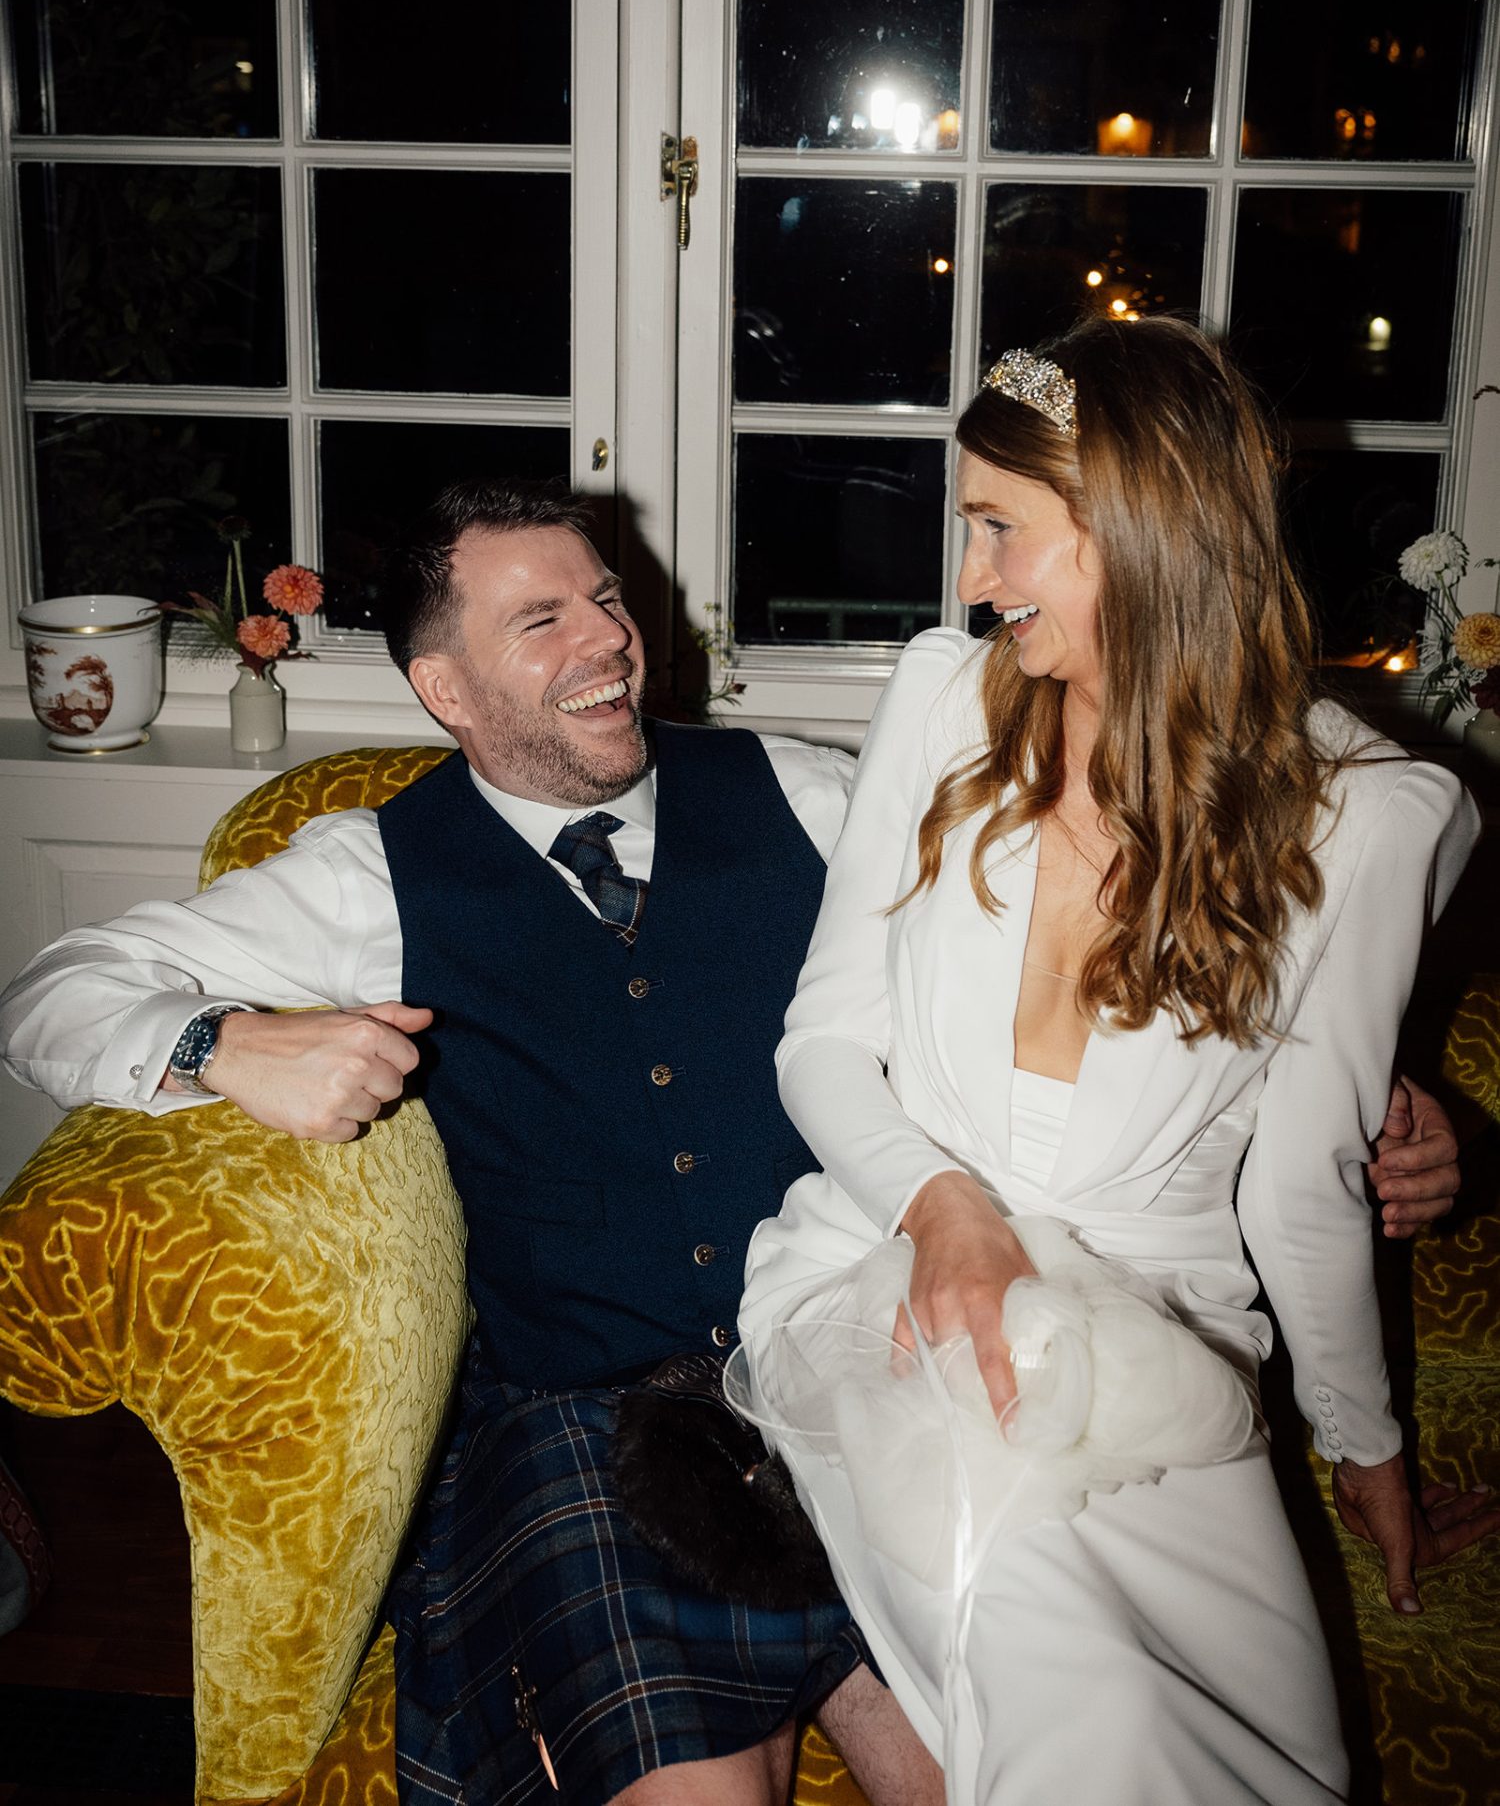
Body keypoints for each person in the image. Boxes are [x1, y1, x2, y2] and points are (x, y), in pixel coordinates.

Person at [0, 477, 1462, 1806]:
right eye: (544, 619)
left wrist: (1358, 1105)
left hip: (858, 1369)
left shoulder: (814, 794)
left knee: (1015, 1768)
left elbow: (1100, 966)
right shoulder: (367, 870)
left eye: (611, 599)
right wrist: (223, 1044)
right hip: (585, 1415)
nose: (610, 642)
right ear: (443, 685)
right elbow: (50, 995)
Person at [734, 322, 1499, 1806]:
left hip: (1165, 1339)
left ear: (1141, 532)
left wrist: (1366, 1446)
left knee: (1259, 1756)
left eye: (1001, 531)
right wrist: (941, 1202)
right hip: (896, 1283)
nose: (968, 581)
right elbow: (821, 1042)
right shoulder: (943, 704)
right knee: (1088, 1703)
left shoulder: (1371, 815)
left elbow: (1302, 1192)